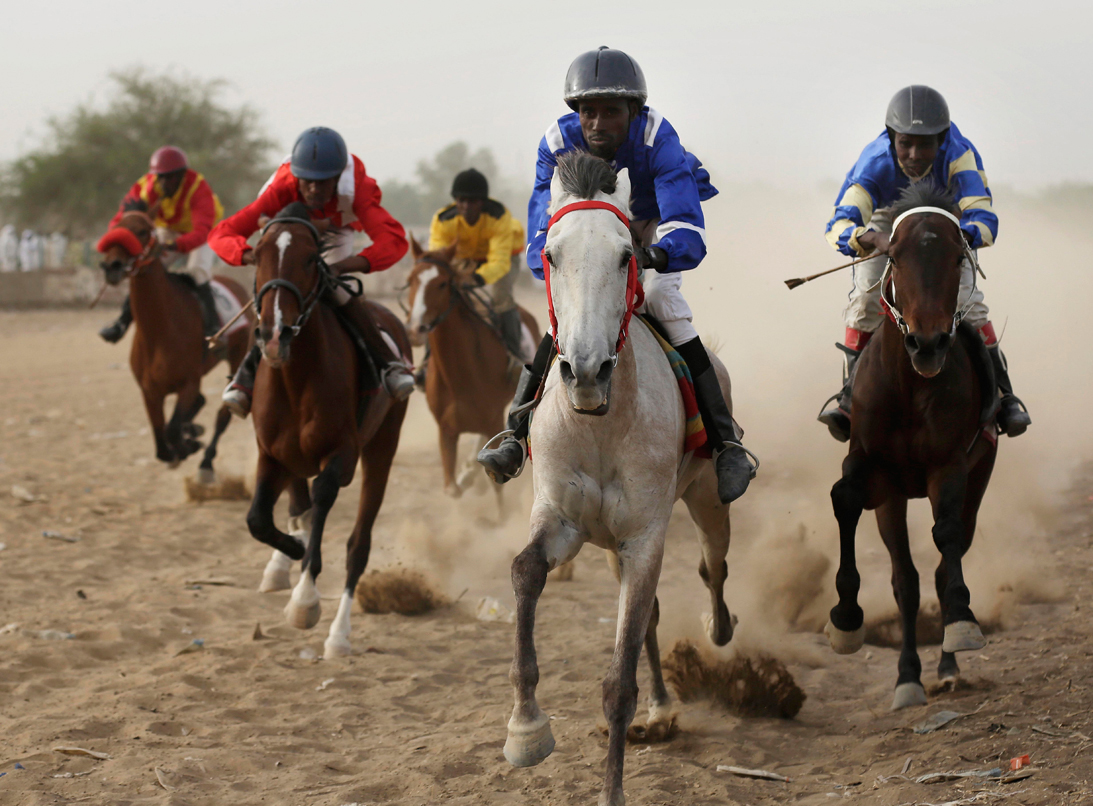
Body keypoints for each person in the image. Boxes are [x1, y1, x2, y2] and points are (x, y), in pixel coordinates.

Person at [477, 46, 755, 504]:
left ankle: (726, 445)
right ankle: (513, 435)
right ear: (576, 114)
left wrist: (658, 256)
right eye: (589, 112)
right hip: (590, 233)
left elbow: (684, 220)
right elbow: (541, 229)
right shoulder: (555, 143)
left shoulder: (657, 136)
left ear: (634, 110)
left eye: (611, 112)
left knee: (663, 304)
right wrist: (565, 274)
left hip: (649, 224)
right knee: (568, 318)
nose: (598, 124)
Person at [816, 85, 1031, 442]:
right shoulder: (874, 162)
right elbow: (838, 226)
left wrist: (955, 240)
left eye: (926, 144)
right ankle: (848, 399)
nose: (915, 154)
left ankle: (1006, 398)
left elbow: (983, 220)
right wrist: (870, 239)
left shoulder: (960, 155)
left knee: (969, 304)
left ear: (942, 140)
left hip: (946, 223)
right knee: (865, 301)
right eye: (905, 143)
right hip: (888, 222)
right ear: (891, 138)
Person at [208, 127, 414, 417]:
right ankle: (245, 378)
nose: (315, 189)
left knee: (336, 287)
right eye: (308, 182)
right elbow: (222, 233)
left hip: (337, 231)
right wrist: (250, 255)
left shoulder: (359, 189)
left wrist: (343, 266)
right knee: (274, 294)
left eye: (324, 182)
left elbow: (393, 241)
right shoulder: (280, 188)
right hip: (291, 228)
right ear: (296, 177)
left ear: (338, 177)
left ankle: (387, 363)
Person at [99, 146, 224, 344]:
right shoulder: (143, 188)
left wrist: (173, 246)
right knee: (144, 268)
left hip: (202, 232)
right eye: (161, 177)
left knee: (197, 270)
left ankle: (214, 327)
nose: (165, 182)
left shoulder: (198, 188)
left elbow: (200, 232)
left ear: (183, 175)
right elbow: (120, 221)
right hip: (169, 228)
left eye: (171, 177)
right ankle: (122, 323)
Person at [427, 168, 527, 356]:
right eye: (461, 200)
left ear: (482, 202)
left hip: (505, 257)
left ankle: (515, 356)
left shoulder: (499, 217)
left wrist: (476, 278)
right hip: (465, 258)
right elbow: (438, 258)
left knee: (501, 298)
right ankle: (427, 361)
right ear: (455, 201)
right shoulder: (442, 220)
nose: (466, 206)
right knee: (437, 298)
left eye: (472, 201)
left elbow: (500, 262)